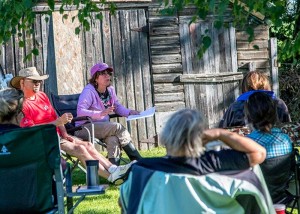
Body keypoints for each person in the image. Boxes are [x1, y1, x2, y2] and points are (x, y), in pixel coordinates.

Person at [119, 108, 267, 213]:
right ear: (202, 137)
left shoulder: (142, 170)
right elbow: (259, 152)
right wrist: (220, 133)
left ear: (166, 137)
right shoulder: (217, 163)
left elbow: (125, 204)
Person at [10, 67, 134, 184]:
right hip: (42, 139)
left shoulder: (42, 96)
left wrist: (64, 132)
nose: (38, 83)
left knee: (88, 145)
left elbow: (56, 117)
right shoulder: (21, 105)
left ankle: (113, 169)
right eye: (34, 81)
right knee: (80, 149)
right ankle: (112, 177)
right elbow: (31, 130)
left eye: (39, 81)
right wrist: (56, 123)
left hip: (58, 135)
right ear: (22, 83)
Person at [76, 62, 142, 165]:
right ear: (96, 78)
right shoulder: (88, 91)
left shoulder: (110, 90)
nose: (107, 76)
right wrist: (100, 113)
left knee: (113, 139)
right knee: (117, 127)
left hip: (103, 128)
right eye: (103, 73)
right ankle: (138, 160)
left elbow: (117, 107)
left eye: (108, 73)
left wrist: (129, 112)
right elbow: (80, 112)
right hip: (85, 128)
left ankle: (114, 172)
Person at [244, 91, 293, 203]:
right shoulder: (286, 140)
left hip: (254, 200)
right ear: (274, 114)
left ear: (248, 116)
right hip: (280, 198)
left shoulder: (247, 143)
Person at [219, 70, 291, 128]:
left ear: (244, 87)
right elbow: (288, 128)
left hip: (243, 145)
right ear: (266, 85)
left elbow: (223, 131)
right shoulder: (278, 103)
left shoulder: (235, 107)